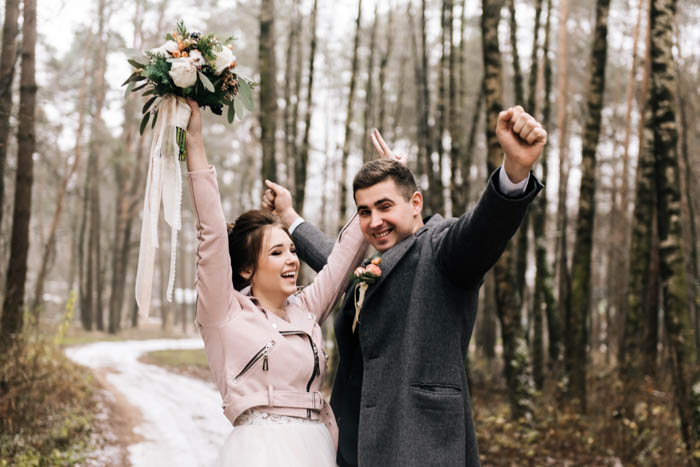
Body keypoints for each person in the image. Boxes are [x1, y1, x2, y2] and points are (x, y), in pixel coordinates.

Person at [262, 105, 546, 466]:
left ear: (416, 203)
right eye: (364, 212)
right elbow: (335, 263)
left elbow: (482, 232)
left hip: (419, 446)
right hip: (351, 446)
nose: (374, 221)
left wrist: (515, 172)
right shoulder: (373, 264)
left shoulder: (442, 250)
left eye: (384, 206)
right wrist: (290, 218)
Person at [183, 97, 371, 467]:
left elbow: (343, 259)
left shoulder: (304, 309)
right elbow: (211, 234)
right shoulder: (224, 313)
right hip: (260, 451)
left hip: (319, 444)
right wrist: (195, 144)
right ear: (246, 270)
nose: (291, 260)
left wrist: (382, 188)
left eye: (291, 250)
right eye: (276, 253)